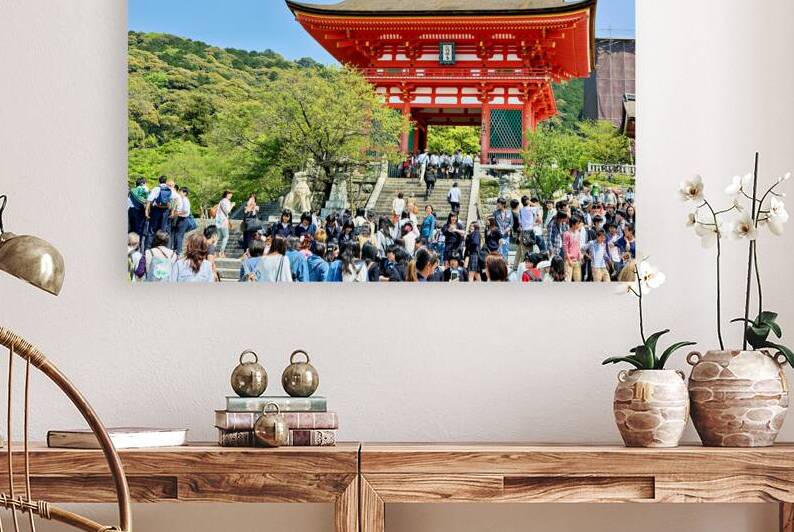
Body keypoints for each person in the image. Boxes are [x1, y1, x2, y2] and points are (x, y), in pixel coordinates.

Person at [145, 176, 174, 249]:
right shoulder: (169, 189)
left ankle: (148, 248)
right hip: (165, 211)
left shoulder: (156, 189)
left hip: (156, 210)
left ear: (159, 181)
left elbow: (149, 200)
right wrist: (172, 211)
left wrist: (146, 211)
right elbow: (173, 200)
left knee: (152, 230)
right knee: (162, 230)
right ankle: (162, 248)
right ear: (166, 181)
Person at [171, 187, 192, 254]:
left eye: (180, 192)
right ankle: (176, 249)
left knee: (179, 235)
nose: (179, 193)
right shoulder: (181, 199)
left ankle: (178, 251)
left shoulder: (185, 200)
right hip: (180, 218)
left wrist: (177, 213)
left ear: (185, 193)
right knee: (177, 234)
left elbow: (186, 211)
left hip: (184, 219)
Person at [562, 217, 584, 282]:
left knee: (578, 280)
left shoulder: (578, 233)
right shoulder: (566, 234)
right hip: (568, 260)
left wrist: (580, 257)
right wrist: (569, 260)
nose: (579, 225)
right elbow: (565, 248)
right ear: (573, 224)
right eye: (577, 223)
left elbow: (578, 246)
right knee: (568, 280)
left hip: (577, 260)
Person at [214, 190, 234, 258]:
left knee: (218, 237)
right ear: (227, 194)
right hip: (223, 221)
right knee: (226, 236)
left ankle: (212, 251)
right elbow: (228, 211)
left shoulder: (221, 201)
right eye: (230, 194)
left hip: (218, 220)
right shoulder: (226, 201)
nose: (231, 196)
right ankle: (221, 252)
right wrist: (232, 205)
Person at [493, 198, 513, 262]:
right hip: (498, 235)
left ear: (503, 204)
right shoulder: (495, 213)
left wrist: (507, 229)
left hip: (506, 235)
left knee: (505, 251)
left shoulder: (509, 212)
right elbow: (493, 224)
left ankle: (505, 264)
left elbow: (511, 224)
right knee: (499, 251)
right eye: (497, 204)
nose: (497, 205)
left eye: (499, 204)